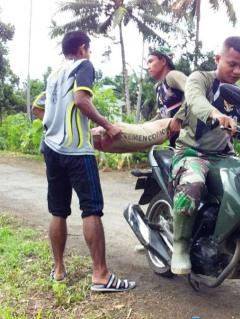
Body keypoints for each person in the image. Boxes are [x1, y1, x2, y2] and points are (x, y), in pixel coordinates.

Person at [31, 31, 136, 292]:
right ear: (82, 48)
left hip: (51, 149)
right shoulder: (84, 65)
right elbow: (81, 100)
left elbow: (37, 107)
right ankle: (101, 275)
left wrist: (62, 125)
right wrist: (108, 126)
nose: (89, 53)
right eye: (88, 49)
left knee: (58, 210)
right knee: (91, 209)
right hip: (76, 151)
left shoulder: (55, 74)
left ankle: (58, 270)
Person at [170, 36, 240, 275]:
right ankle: (181, 245)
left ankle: (236, 242)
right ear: (218, 59)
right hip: (191, 153)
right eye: (232, 64)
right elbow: (196, 101)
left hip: (224, 157)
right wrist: (217, 115)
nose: (238, 70)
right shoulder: (200, 79)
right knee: (193, 183)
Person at [147, 47, 187, 147]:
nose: (148, 66)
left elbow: (195, 93)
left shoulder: (172, 76)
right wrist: (142, 128)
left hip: (192, 140)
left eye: (151, 61)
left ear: (163, 61)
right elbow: (162, 114)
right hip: (175, 142)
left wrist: (178, 118)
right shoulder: (158, 87)